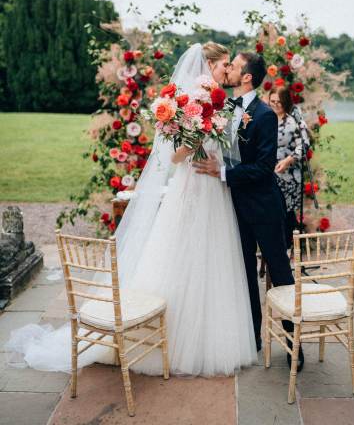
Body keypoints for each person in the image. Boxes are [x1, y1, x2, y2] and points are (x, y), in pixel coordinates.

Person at [6, 42, 258, 377]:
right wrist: (196, 138)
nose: (228, 70)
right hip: (191, 186)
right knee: (179, 255)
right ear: (209, 65)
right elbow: (173, 156)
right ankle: (166, 336)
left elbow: (223, 145)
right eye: (225, 64)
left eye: (230, 65)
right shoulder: (192, 99)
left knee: (213, 257)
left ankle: (214, 335)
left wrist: (211, 146)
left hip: (213, 188)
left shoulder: (216, 100)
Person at [194, 53, 304, 371]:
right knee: (244, 277)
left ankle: (295, 346)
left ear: (247, 77)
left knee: (281, 276)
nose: (228, 69)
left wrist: (223, 173)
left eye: (235, 65)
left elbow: (263, 168)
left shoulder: (265, 114)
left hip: (265, 209)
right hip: (236, 210)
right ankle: (252, 339)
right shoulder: (227, 109)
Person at [268, 86, 309, 249]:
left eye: (279, 102)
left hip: (288, 176)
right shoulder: (265, 118)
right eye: (272, 101)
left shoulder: (292, 122)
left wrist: (288, 160)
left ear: (285, 102)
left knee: (285, 215)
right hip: (268, 175)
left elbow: (303, 146)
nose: (276, 105)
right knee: (271, 216)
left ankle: (287, 251)